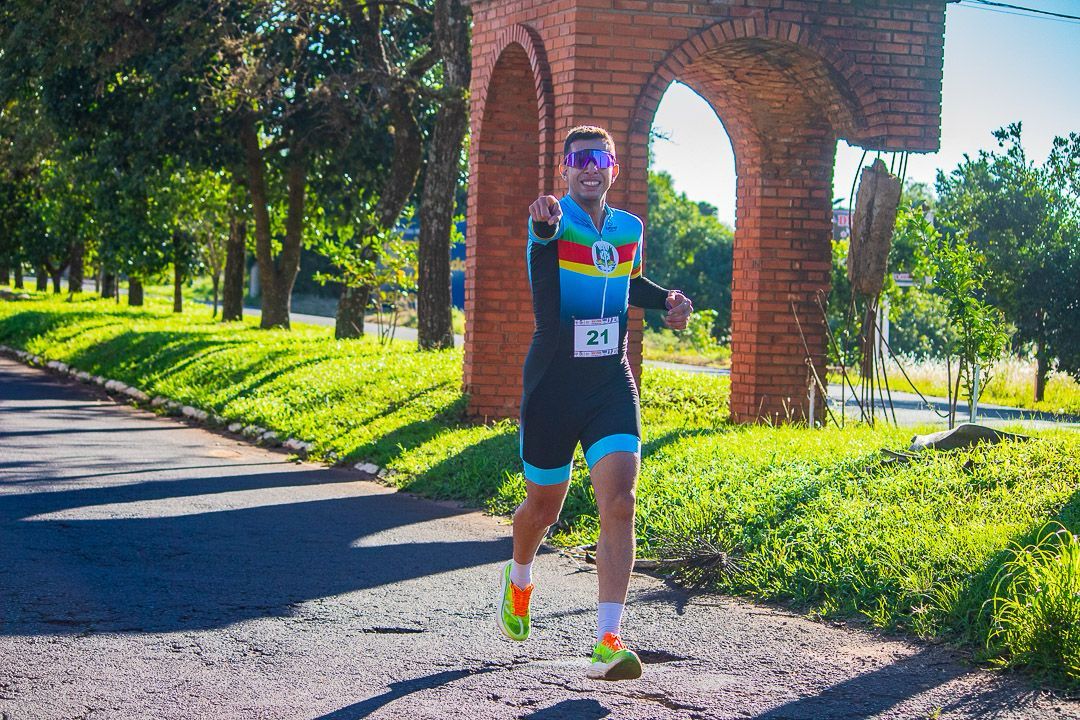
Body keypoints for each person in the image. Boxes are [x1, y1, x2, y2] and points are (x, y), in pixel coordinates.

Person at [497, 125, 693, 680]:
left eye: (599, 158)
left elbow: (627, 281)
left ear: (613, 167)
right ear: (564, 169)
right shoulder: (552, 223)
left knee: (621, 502)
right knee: (543, 511)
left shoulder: (629, 227)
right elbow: (541, 231)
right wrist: (542, 221)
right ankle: (519, 578)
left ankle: (609, 637)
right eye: (578, 158)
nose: (589, 167)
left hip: (609, 382)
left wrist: (668, 302)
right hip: (553, 386)